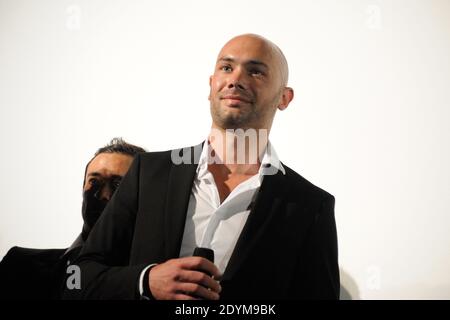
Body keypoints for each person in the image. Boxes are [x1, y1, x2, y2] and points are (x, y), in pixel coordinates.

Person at [63, 34, 339, 300]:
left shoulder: (310, 206)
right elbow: (80, 277)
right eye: (227, 67)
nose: (235, 79)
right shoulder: (148, 174)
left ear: (284, 98)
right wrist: (146, 281)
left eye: (255, 72)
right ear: (211, 85)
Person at [0, 138, 145, 299]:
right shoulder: (21, 266)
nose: (102, 195)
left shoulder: (161, 279)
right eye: (94, 182)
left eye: (118, 184)